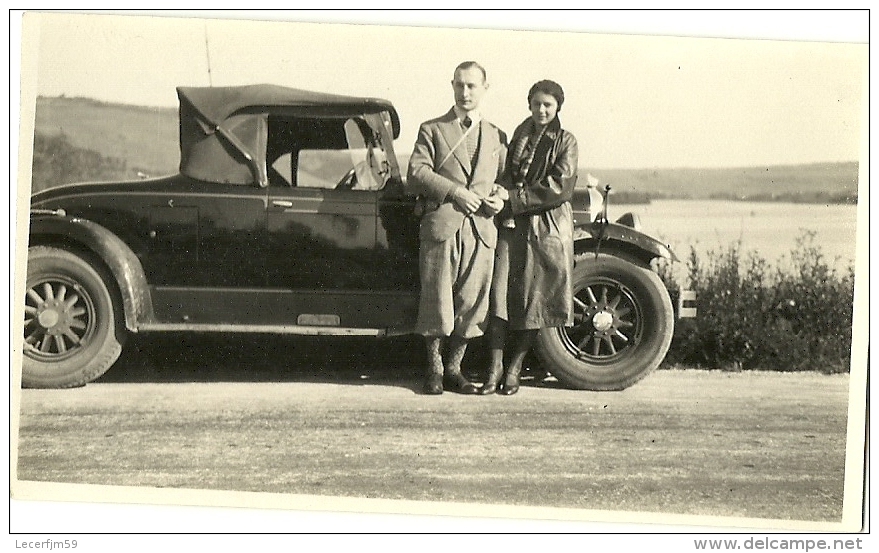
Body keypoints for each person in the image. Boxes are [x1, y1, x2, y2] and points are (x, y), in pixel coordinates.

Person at [407, 61, 508, 395]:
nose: (465, 93)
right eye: (459, 85)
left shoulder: (496, 135)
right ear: (452, 86)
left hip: (481, 229)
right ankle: (434, 370)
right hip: (443, 225)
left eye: (472, 86)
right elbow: (417, 172)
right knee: (437, 300)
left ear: (484, 88)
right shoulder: (432, 129)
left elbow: (503, 180)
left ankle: (455, 369)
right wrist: (454, 192)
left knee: (471, 302)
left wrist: (500, 198)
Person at [481, 79, 578, 395]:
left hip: (543, 227)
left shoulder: (565, 141)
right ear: (529, 105)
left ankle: (514, 370)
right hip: (510, 224)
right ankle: (493, 369)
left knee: (532, 299)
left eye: (548, 104)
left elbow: (559, 185)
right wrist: (499, 191)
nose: (541, 110)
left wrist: (512, 197)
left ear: (558, 107)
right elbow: (504, 173)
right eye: (536, 103)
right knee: (499, 297)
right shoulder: (517, 136)